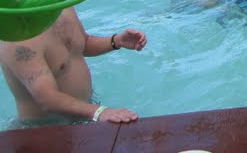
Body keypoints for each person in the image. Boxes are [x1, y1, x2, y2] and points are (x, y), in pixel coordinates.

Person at [0, 7, 147, 126]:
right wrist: (100, 112)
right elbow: (47, 99)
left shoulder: (61, 7)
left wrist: (116, 41)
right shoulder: (18, 37)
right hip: (44, 128)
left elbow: (84, 43)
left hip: (87, 110)